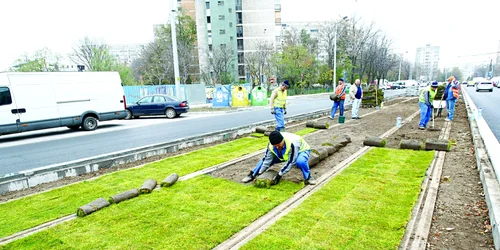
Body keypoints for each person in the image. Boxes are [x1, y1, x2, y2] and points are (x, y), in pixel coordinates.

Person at [241, 131, 317, 185]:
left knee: (300, 161)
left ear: (282, 140)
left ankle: (308, 178)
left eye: (278, 144)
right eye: (275, 146)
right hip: (284, 154)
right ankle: (253, 174)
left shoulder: (293, 143)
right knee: (264, 160)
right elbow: (267, 160)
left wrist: (279, 175)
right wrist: (260, 173)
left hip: (301, 150)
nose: (277, 147)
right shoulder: (271, 145)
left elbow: (291, 162)